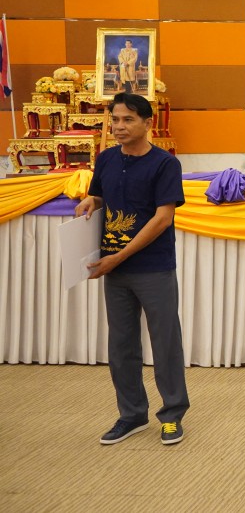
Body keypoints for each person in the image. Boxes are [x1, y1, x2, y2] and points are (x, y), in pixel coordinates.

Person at [75, 92, 189, 446]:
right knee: (121, 345)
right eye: (115, 119)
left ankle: (172, 415)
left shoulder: (165, 164)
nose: (119, 126)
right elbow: (102, 195)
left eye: (128, 120)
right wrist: (91, 200)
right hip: (113, 268)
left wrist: (119, 256)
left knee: (165, 343)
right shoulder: (106, 158)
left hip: (153, 267)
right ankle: (132, 415)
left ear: (147, 123)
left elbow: (162, 218)